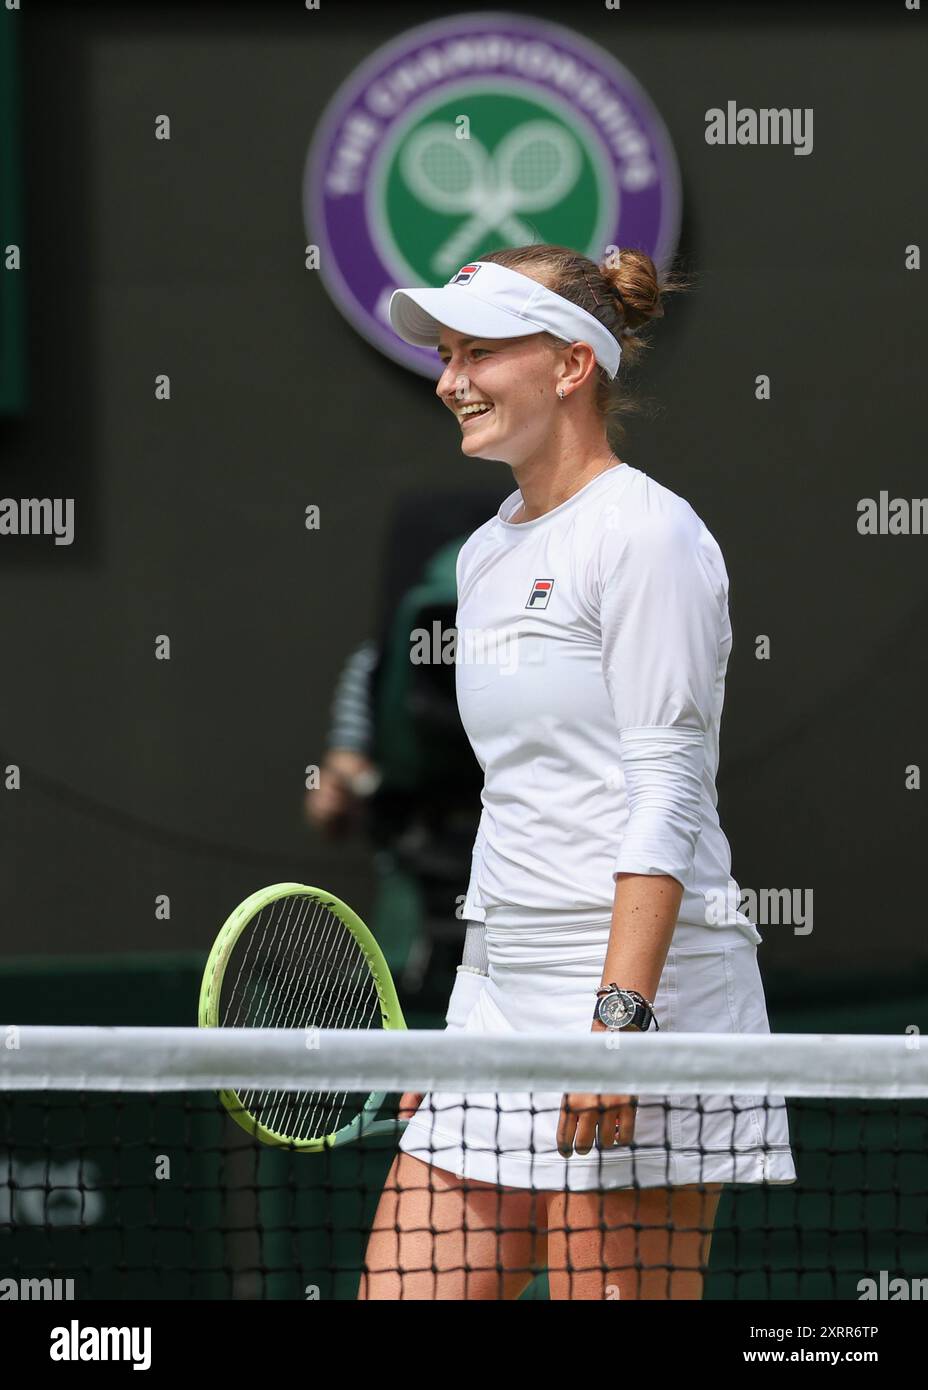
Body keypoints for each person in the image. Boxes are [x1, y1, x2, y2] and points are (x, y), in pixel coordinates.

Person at [358, 245, 797, 1301]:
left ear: (567, 366)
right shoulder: (482, 552)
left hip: (644, 997)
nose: (448, 378)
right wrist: (463, 1023)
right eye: (446, 354)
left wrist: (618, 1027)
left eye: (478, 352)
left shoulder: (647, 535)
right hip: (501, 1003)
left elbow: (666, 789)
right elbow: (514, 804)